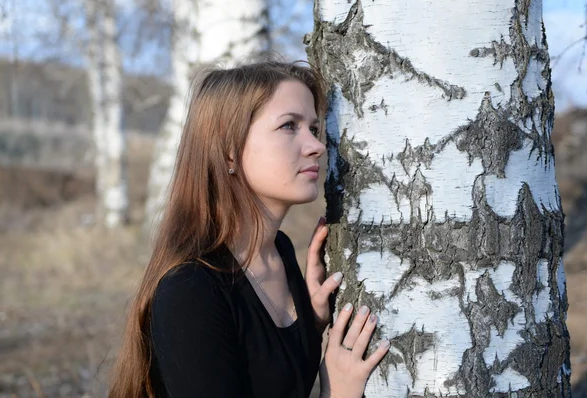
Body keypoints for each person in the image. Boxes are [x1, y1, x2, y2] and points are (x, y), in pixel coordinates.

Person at [108, 61, 390, 398]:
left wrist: (311, 324)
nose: (315, 146)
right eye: (289, 126)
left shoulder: (280, 252)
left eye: (313, 129)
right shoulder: (190, 292)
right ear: (228, 150)